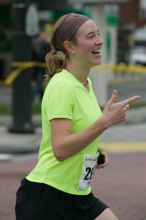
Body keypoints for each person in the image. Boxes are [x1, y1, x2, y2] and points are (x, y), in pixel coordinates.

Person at [15, 13, 140, 220]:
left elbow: (78, 132)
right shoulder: (62, 86)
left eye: (98, 34)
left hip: (77, 195)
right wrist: (105, 122)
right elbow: (61, 149)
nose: (99, 40)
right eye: (90, 36)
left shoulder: (85, 84)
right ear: (70, 46)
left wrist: (94, 152)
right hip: (47, 198)